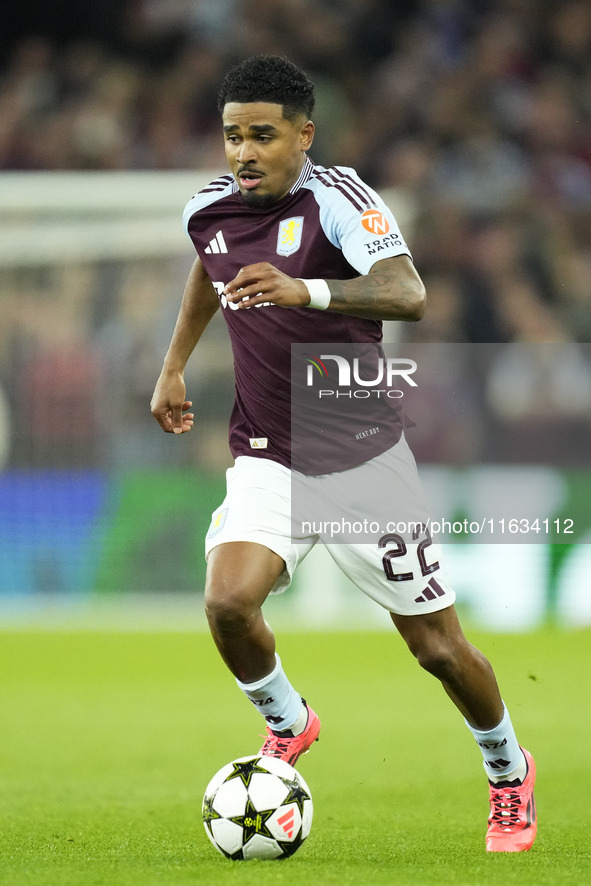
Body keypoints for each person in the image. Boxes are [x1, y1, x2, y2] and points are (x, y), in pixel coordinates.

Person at [151, 55, 536, 853]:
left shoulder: (341, 200)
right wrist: (174, 363)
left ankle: (507, 773)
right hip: (266, 454)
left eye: (262, 135)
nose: (244, 152)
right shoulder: (210, 211)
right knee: (227, 604)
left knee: (437, 648)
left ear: (303, 134)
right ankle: (289, 722)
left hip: (361, 459)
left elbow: (408, 293)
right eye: (232, 137)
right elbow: (208, 266)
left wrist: (309, 291)